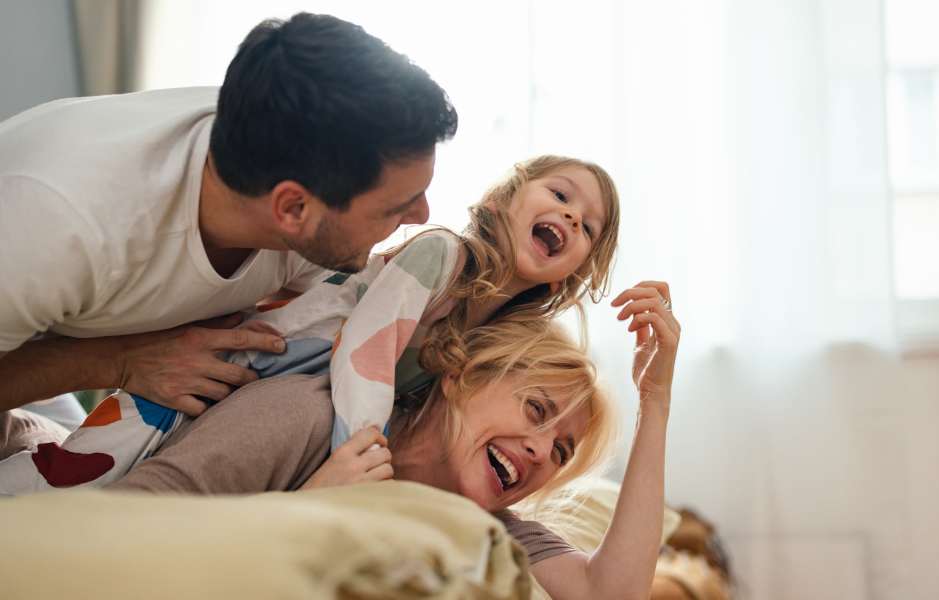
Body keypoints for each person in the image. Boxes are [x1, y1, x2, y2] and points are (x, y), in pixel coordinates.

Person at [0, 154, 620, 491]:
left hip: (282, 383)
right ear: (502, 200)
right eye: (560, 195)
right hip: (249, 355)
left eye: (588, 226)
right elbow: (366, 352)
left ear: (571, 273)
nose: (570, 217)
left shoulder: (489, 331)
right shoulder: (442, 255)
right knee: (91, 466)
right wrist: (364, 454)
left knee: (123, 465)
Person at [0, 12, 458, 417]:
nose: (422, 216)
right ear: (292, 208)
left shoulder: (289, 148)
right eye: (396, 207)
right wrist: (120, 361)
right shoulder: (59, 225)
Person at [106, 280, 680, 600]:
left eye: (560, 452)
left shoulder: (491, 533)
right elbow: (115, 522)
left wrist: (655, 401)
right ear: (461, 374)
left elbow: (611, 594)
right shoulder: (306, 418)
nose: (539, 450)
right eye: (536, 409)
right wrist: (305, 511)